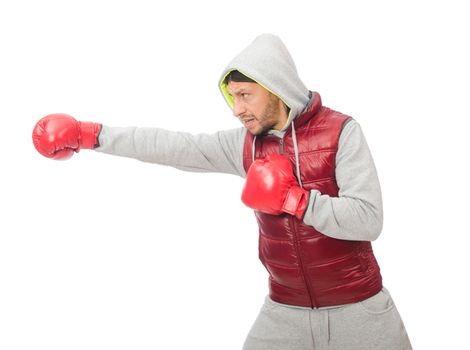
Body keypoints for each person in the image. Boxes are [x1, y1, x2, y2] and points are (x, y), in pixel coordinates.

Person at [30, 34, 411, 350]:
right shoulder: (246, 145)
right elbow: (175, 146)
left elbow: (368, 219)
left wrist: (293, 200)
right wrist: (92, 134)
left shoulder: (341, 132)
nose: (236, 108)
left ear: (275, 88)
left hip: (359, 310)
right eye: (232, 97)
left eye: (245, 95)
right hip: (286, 312)